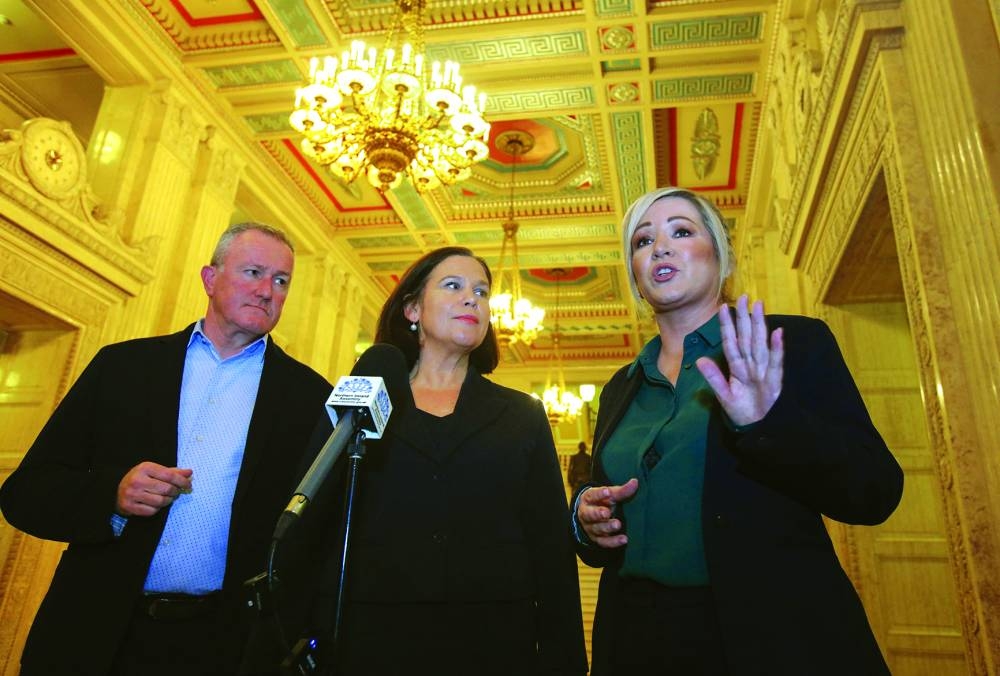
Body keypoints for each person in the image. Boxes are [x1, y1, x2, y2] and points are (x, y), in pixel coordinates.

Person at [573, 187, 904, 675]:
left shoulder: (789, 343)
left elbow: (874, 491)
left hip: (767, 637)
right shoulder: (618, 389)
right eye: (642, 242)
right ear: (635, 276)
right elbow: (605, 513)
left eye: (681, 231)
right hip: (637, 640)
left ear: (721, 257)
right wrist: (586, 517)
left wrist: (766, 423)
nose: (659, 247)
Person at [0, 222, 333, 676]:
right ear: (210, 279)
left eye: (281, 281)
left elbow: (316, 536)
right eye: (253, 272)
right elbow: (27, 492)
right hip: (94, 634)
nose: (267, 291)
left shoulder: (310, 397)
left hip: (224, 647)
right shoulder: (123, 366)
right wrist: (112, 496)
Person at [311, 246, 588, 676]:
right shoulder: (367, 402)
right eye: (453, 286)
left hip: (493, 644)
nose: (472, 298)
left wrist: (563, 659)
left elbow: (550, 548)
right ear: (412, 309)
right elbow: (323, 526)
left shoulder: (522, 415)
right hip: (374, 643)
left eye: (481, 291)